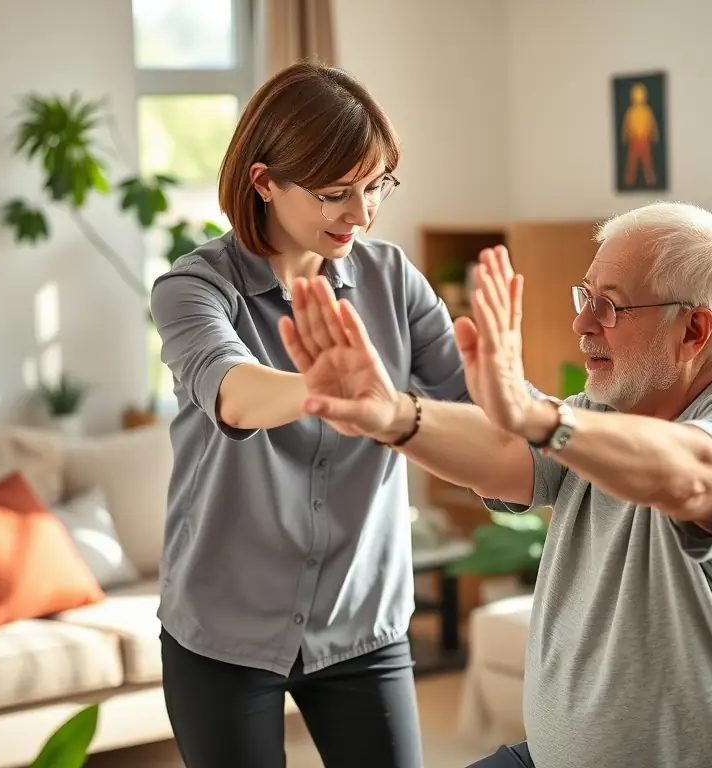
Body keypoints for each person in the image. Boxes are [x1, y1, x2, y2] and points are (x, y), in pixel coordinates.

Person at [278, 202, 712, 768]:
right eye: (584, 296)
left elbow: (693, 476)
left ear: (694, 329)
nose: (583, 323)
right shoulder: (604, 411)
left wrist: (541, 419)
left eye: (609, 305)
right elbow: (501, 450)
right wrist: (392, 414)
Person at [149, 62, 469, 768]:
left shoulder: (393, 280)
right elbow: (232, 390)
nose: (361, 213)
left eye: (376, 185)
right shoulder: (192, 287)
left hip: (362, 623)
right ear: (264, 182)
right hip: (224, 632)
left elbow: (473, 410)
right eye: (334, 194)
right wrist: (326, 389)